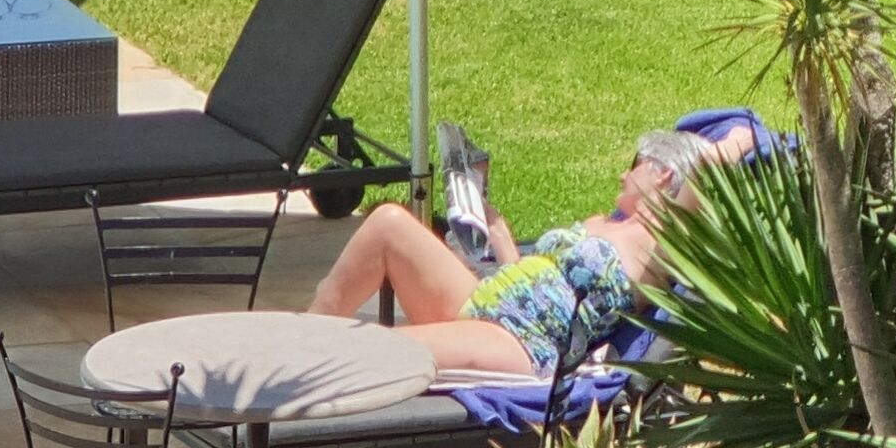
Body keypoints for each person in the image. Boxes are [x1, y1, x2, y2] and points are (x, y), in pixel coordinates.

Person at [305, 125, 727, 378]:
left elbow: (712, 165)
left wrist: (745, 137)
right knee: (388, 223)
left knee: (380, 348)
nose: (623, 172)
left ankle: (304, 393)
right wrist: (500, 234)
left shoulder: (663, 244)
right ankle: (300, 341)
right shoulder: (609, 224)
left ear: (664, 173)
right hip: (487, 301)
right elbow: (541, 278)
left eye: (635, 163)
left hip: (521, 339)